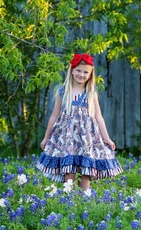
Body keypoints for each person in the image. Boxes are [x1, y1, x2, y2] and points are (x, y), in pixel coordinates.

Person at [36, 53, 123, 190]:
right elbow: (54, 116)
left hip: (87, 138)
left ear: (90, 74)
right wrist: (46, 138)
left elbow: (98, 116)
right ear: (72, 70)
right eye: (78, 70)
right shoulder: (63, 91)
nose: (81, 74)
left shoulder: (91, 92)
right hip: (67, 138)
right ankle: (69, 200)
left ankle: (85, 200)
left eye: (85, 72)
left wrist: (107, 138)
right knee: (69, 169)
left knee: (86, 170)